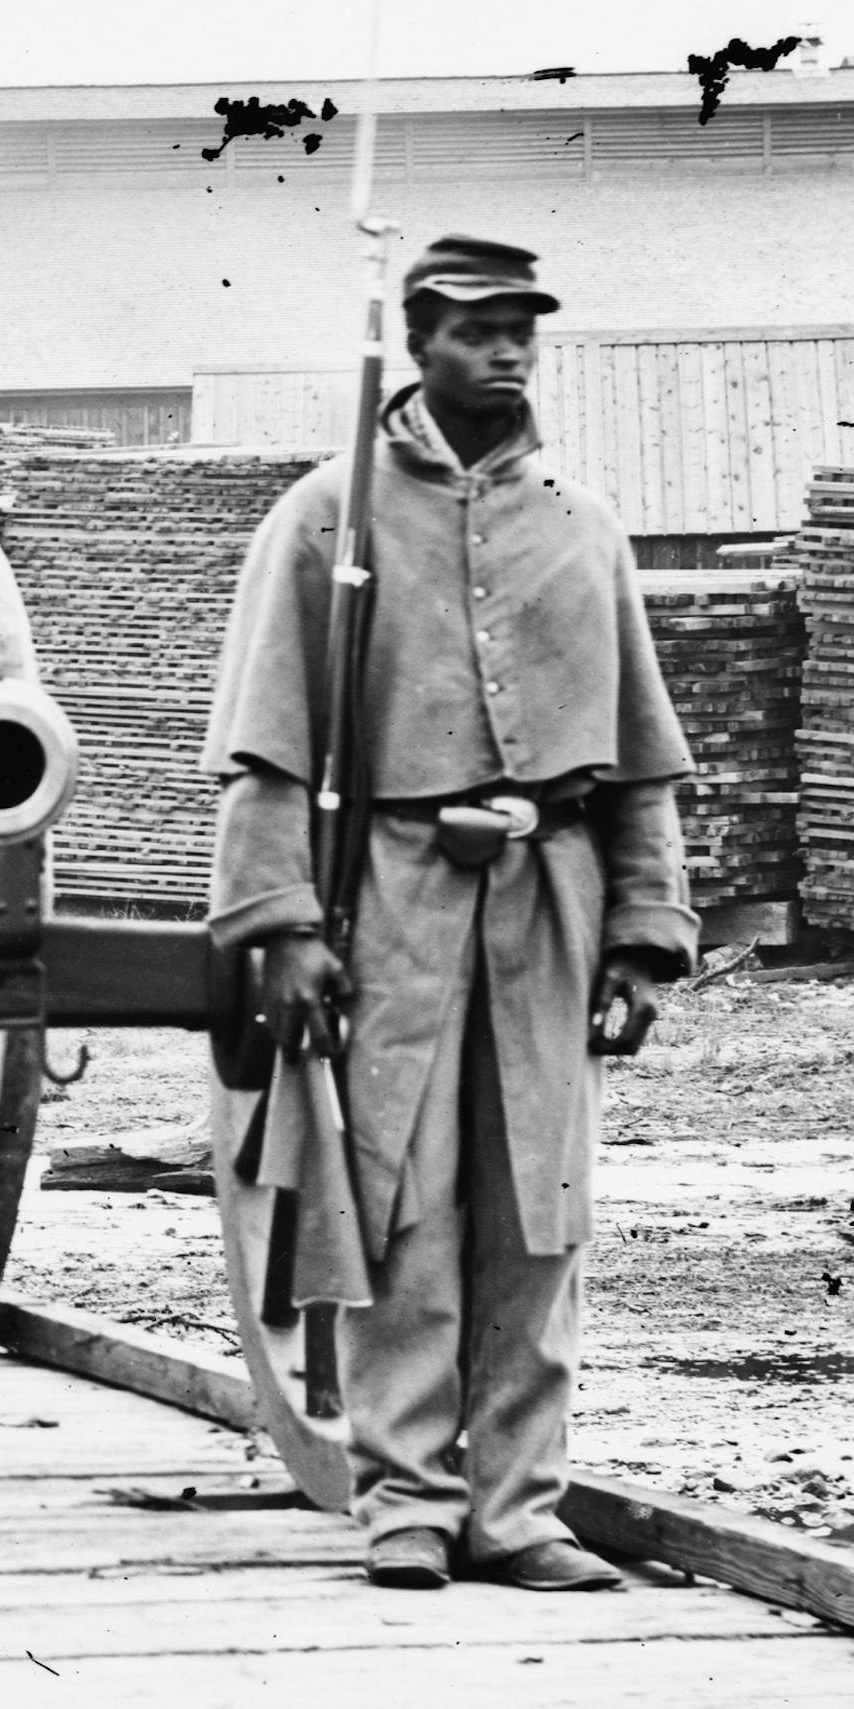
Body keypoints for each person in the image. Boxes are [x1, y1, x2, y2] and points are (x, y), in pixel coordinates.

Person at [200, 234, 697, 1592]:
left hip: (550, 900)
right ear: (416, 340)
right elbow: (266, 750)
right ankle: (407, 1502)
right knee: (404, 1207)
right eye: (478, 327)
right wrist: (287, 926)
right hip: (394, 903)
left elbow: (641, 765)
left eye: (525, 326)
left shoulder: (584, 528)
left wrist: (648, 935)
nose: (509, 349)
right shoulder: (324, 521)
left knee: (542, 1213)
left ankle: (518, 1508)